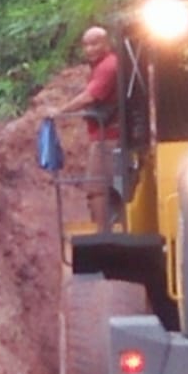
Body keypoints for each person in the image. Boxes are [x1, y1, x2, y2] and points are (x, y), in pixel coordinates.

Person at [55, 25, 121, 230]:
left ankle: (103, 234)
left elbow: (89, 96)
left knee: (96, 188)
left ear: (107, 43)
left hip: (108, 136)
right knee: (102, 188)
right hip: (103, 134)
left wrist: (60, 112)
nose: (90, 49)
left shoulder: (108, 66)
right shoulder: (103, 66)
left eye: (95, 43)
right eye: (86, 45)